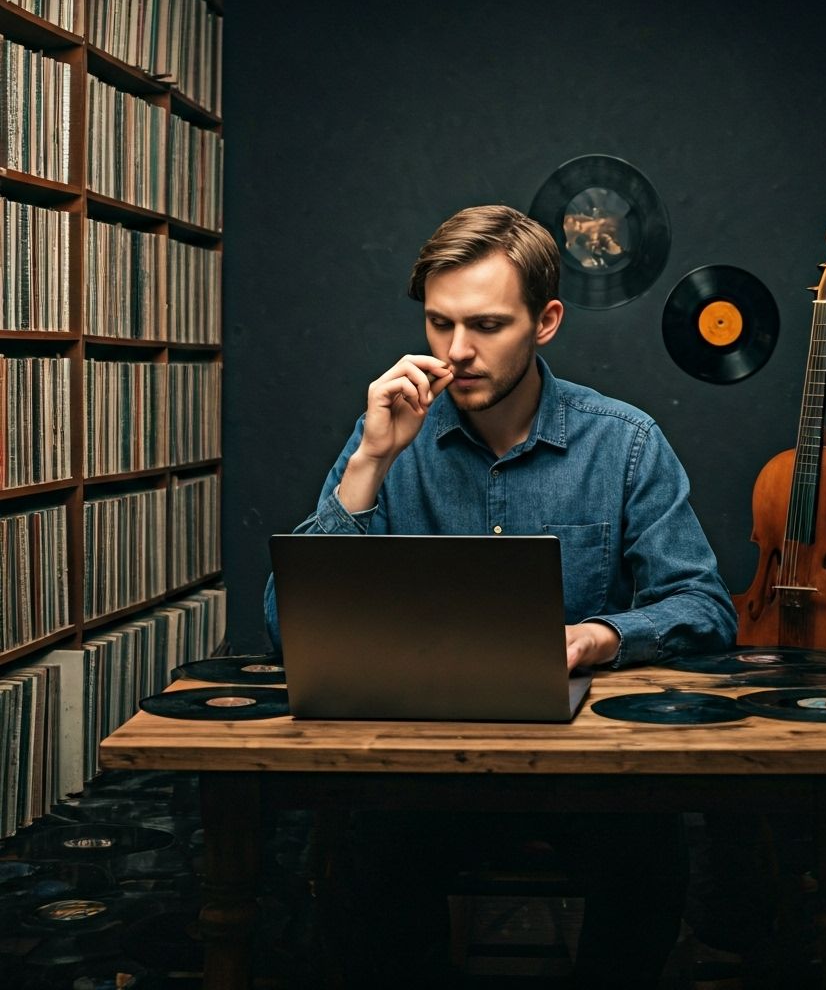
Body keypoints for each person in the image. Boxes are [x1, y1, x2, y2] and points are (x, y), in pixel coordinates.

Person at [264, 204, 737, 985]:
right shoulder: (384, 438)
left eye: (486, 324)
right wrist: (367, 467)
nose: (456, 353)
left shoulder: (624, 442)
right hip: (420, 779)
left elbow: (704, 607)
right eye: (438, 324)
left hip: (586, 779)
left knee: (650, 860)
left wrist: (597, 636)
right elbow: (290, 631)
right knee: (360, 871)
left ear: (546, 320)